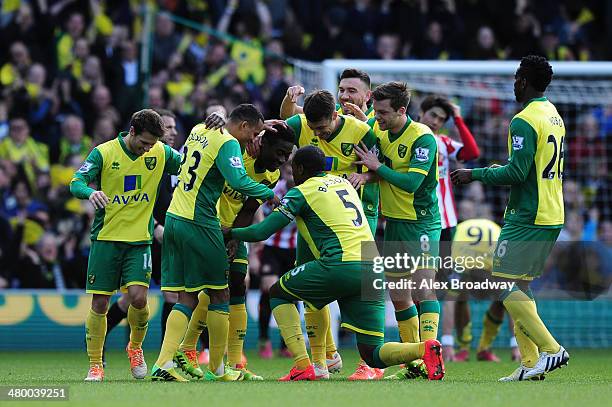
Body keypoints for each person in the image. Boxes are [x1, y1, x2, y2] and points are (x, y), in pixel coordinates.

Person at [225, 145, 445, 381]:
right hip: (372, 269)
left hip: (339, 265)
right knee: (372, 354)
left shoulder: (300, 192)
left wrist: (229, 232)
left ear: (298, 169)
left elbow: (261, 231)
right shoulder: (343, 184)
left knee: (278, 293)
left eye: (292, 168)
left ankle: (304, 365)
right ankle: (424, 349)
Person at [451, 55, 570, 381]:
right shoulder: (554, 115)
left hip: (527, 214)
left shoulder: (523, 120)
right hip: (552, 210)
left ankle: (550, 349)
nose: (513, 83)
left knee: (503, 282)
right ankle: (531, 363)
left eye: (517, 77)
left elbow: (517, 172)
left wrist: (474, 174)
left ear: (523, 81)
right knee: (519, 288)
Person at [151, 104, 279, 382]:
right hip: (201, 222)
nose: (253, 141)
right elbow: (238, 180)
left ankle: (164, 362)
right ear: (243, 126)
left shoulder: (199, 129)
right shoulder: (228, 142)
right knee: (221, 295)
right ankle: (220, 370)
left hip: (174, 217)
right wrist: (271, 193)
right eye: (253, 133)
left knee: (186, 296)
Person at [172, 123, 295, 381]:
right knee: (213, 289)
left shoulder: (270, 176)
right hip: (207, 223)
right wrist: (220, 116)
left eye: (287, 155)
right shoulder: (238, 152)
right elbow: (233, 126)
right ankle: (189, 350)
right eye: (280, 153)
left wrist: (233, 237)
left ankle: (236, 363)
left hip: (231, 230)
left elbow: (248, 209)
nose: (283, 160)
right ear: (261, 143)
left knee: (237, 284)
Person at [70, 109, 182, 382]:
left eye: (152, 144)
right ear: (131, 131)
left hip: (139, 240)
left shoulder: (160, 152)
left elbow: (193, 162)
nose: (147, 150)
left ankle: (135, 348)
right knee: (100, 303)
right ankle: (96, 365)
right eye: (144, 143)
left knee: (140, 298)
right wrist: (91, 192)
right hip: (106, 239)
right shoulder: (104, 153)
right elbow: (76, 182)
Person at [284, 89, 379, 379]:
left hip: (351, 222)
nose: (318, 134)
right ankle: (322, 360)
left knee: (361, 287)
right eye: (313, 130)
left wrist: (364, 175)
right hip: (313, 220)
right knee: (311, 288)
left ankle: (369, 364)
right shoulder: (302, 124)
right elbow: (286, 119)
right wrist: (288, 103)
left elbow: (380, 167)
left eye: (322, 129)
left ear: (335, 116)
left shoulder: (361, 131)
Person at [355, 82, 441, 380]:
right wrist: (367, 176)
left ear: (402, 110)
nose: (376, 116)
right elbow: (378, 170)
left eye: (382, 112)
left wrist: (376, 168)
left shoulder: (423, 138)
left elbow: (411, 183)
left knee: (422, 288)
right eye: (375, 111)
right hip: (393, 222)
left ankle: (432, 348)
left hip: (421, 223)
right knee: (399, 295)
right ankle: (415, 361)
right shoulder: (378, 131)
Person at [103, 109, 180, 355]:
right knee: (131, 299)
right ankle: (100, 338)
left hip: (170, 239)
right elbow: (137, 199)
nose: (172, 133)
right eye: (168, 127)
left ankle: (165, 356)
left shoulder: (171, 160)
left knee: (171, 295)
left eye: (174, 128)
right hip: (143, 236)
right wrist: (155, 225)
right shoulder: (143, 157)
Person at [416, 95, 481, 361]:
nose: (436, 122)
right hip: (417, 220)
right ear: (421, 113)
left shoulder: (443, 142)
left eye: (441, 119)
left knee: (449, 284)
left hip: (445, 223)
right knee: (418, 282)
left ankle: (447, 343)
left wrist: (457, 118)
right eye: (433, 115)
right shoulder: (409, 136)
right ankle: (418, 342)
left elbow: (472, 153)